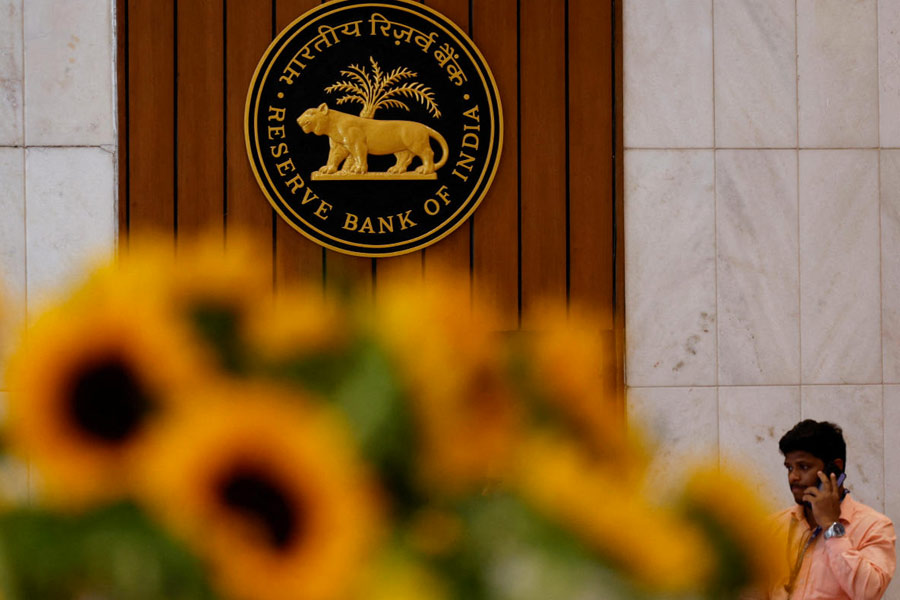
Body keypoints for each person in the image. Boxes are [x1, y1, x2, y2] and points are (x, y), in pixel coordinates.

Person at [756, 420, 895, 599]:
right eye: (789, 468)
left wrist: (831, 526)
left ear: (835, 468)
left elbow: (868, 592)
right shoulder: (774, 525)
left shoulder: (874, 526)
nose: (793, 477)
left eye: (804, 467)